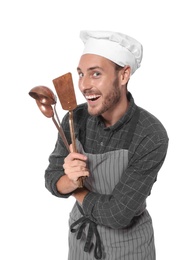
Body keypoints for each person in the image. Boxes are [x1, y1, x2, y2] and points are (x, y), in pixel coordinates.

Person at [45, 30, 169, 260]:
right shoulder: (74, 119)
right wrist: (68, 180)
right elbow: (52, 179)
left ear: (123, 75)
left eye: (96, 74)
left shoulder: (150, 134)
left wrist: (77, 188)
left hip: (130, 247)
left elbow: (118, 214)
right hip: (81, 243)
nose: (83, 85)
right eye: (81, 74)